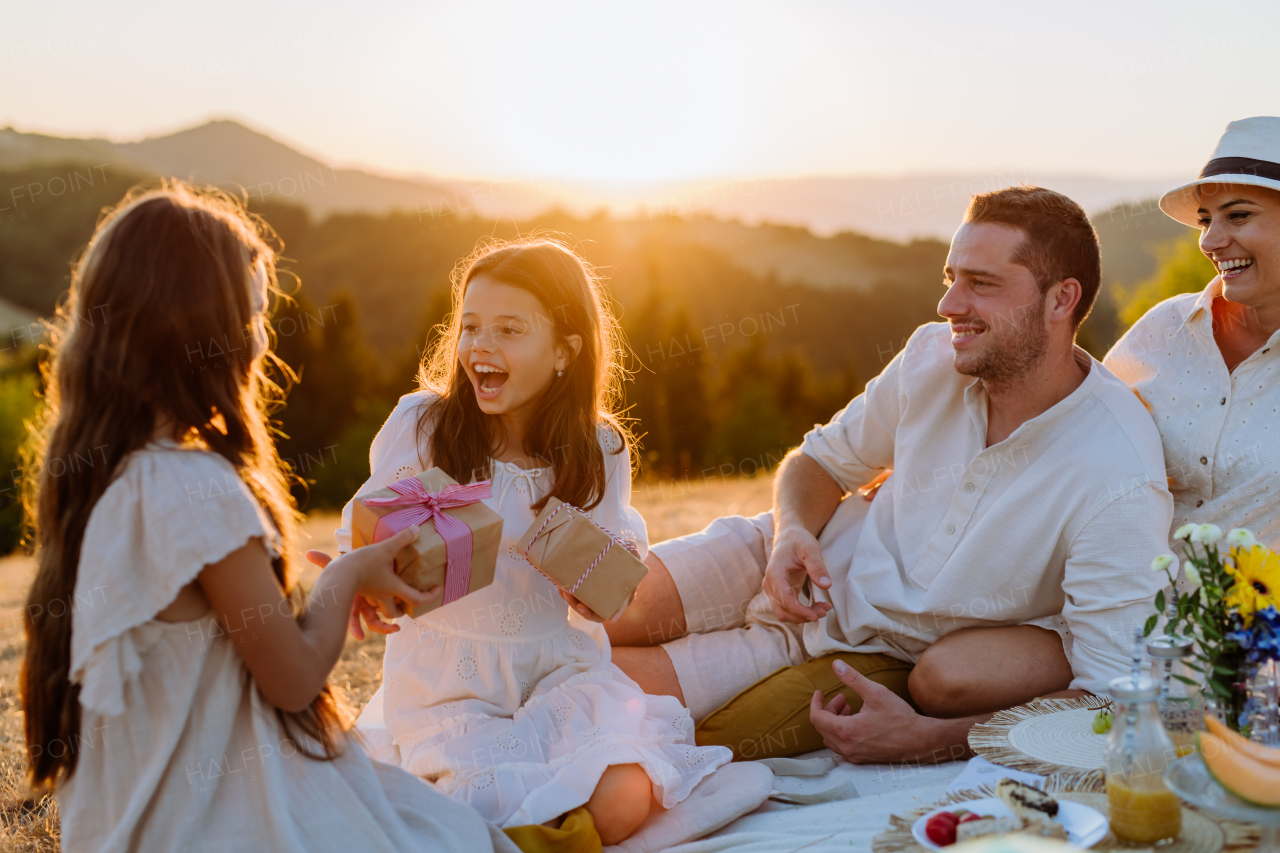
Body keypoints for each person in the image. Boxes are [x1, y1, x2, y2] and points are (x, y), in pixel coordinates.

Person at [23, 183, 522, 852]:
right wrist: (345, 576)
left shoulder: (109, 478)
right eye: (254, 315)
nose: (263, 339)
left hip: (134, 823)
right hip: (207, 822)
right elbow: (290, 680)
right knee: (462, 836)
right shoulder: (194, 487)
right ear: (201, 334)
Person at [608, 186, 1174, 764]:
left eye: (981, 283)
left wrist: (931, 740)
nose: (949, 305)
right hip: (790, 553)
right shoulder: (933, 355)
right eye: (950, 278)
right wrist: (792, 531)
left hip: (849, 645)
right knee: (595, 607)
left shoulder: (1117, 471)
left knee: (597, 679)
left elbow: (1111, 698)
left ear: (1061, 301)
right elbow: (819, 460)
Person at [335, 238, 732, 844]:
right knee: (472, 800)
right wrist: (368, 580)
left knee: (626, 796)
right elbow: (367, 530)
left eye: (509, 329)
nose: (480, 346)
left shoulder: (598, 448)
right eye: (470, 327)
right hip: (451, 685)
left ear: (565, 352)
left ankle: (531, 833)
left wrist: (600, 594)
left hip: (557, 676)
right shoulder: (426, 428)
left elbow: (616, 570)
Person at [1106, 116, 1280, 552]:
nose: (1210, 241)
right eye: (1205, 221)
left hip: (1257, 618)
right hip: (1125, 609)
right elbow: (1083, 443)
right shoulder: (1163, 329)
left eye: (1238, 216)